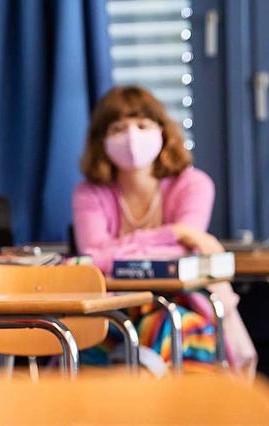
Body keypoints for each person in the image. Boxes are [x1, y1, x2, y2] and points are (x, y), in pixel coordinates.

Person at [72, 85, 256, 376]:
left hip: (188, 307)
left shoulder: (194, 185)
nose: (131, 136)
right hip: (115, 308)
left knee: (161, 329)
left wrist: (117, 250)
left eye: (142, 125)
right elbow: (93, 255)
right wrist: (174, 232)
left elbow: (181, 256)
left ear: (162, 131)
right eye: (118, 127)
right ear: (101, 140)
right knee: (94, 338)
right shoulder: (89, 193)